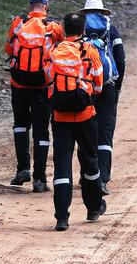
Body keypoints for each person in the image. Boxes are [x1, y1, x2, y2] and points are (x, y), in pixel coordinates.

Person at [46, 12, 105, 231]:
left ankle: (62, 217)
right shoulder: (89, 50)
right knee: (90, 160)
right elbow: (99, 82)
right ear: (83, 30)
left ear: (64, 29)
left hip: (60, 116)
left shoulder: (54, 51)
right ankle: (93, 208)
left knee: (62, 164)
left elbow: (48, 77)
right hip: (85, 115)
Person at [5, 0, 64, 191]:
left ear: (30, 5)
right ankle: (40, 179)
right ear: (46, 6)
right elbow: (62, 49)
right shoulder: (53, 27)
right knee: (41, 131)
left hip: (19, 83)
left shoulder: (18, 23)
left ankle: (22, 169)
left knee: (20, 125)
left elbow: (8, 50)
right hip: (42, 86)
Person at [78, 0, 126, 195]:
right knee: (105, 134)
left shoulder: (78, 29)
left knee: (85, 131)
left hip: (85, 87)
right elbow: (120, 60)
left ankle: (86, 175)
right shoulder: (111, 29)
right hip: (107, 86)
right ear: (102, 11)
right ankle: (103, 179)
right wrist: (117, 87)